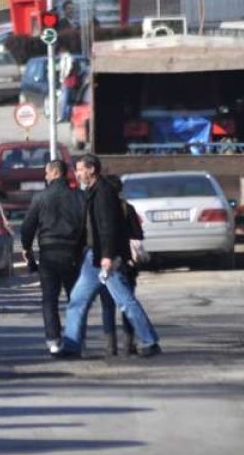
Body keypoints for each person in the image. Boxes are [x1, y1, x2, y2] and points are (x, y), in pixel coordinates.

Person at [55, 153, 161, 359]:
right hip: (92, 259)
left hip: (105, 259)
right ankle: (71, 345)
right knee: (77, 300)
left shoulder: (104, 193)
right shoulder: (93, 192)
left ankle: (149, 341)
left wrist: (108, 256)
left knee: (125, 301)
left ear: (91, 170)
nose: (77, 174)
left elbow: (108, 228)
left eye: (80, 170)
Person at [20, 159, 85, 353]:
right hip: (73, 252)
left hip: (49, 253)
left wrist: (27, 248)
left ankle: (53, 340)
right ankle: (76, 338)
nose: (45, 177)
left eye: (47, 173)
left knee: (49, 299)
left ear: (55, 173)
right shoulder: (79, 197)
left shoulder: (40, 197)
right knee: (76, 298)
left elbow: (28, 226)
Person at [98, 174, 144, 356]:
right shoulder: (127, 208)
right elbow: (138, 235)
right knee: (127, 303)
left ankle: (110, 345)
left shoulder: (100, 208)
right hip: (126, 262)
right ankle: (129, 343)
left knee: (107, 305)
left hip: (105, 261)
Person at [57, 46, 76, 123]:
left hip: (67, 82)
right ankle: (67, 116)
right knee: (67, 100)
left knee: (64, 100)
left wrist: (63, 77)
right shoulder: (68, 58)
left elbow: (67, 69)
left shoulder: (66, 58)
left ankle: (63, 116)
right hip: (68, 82)